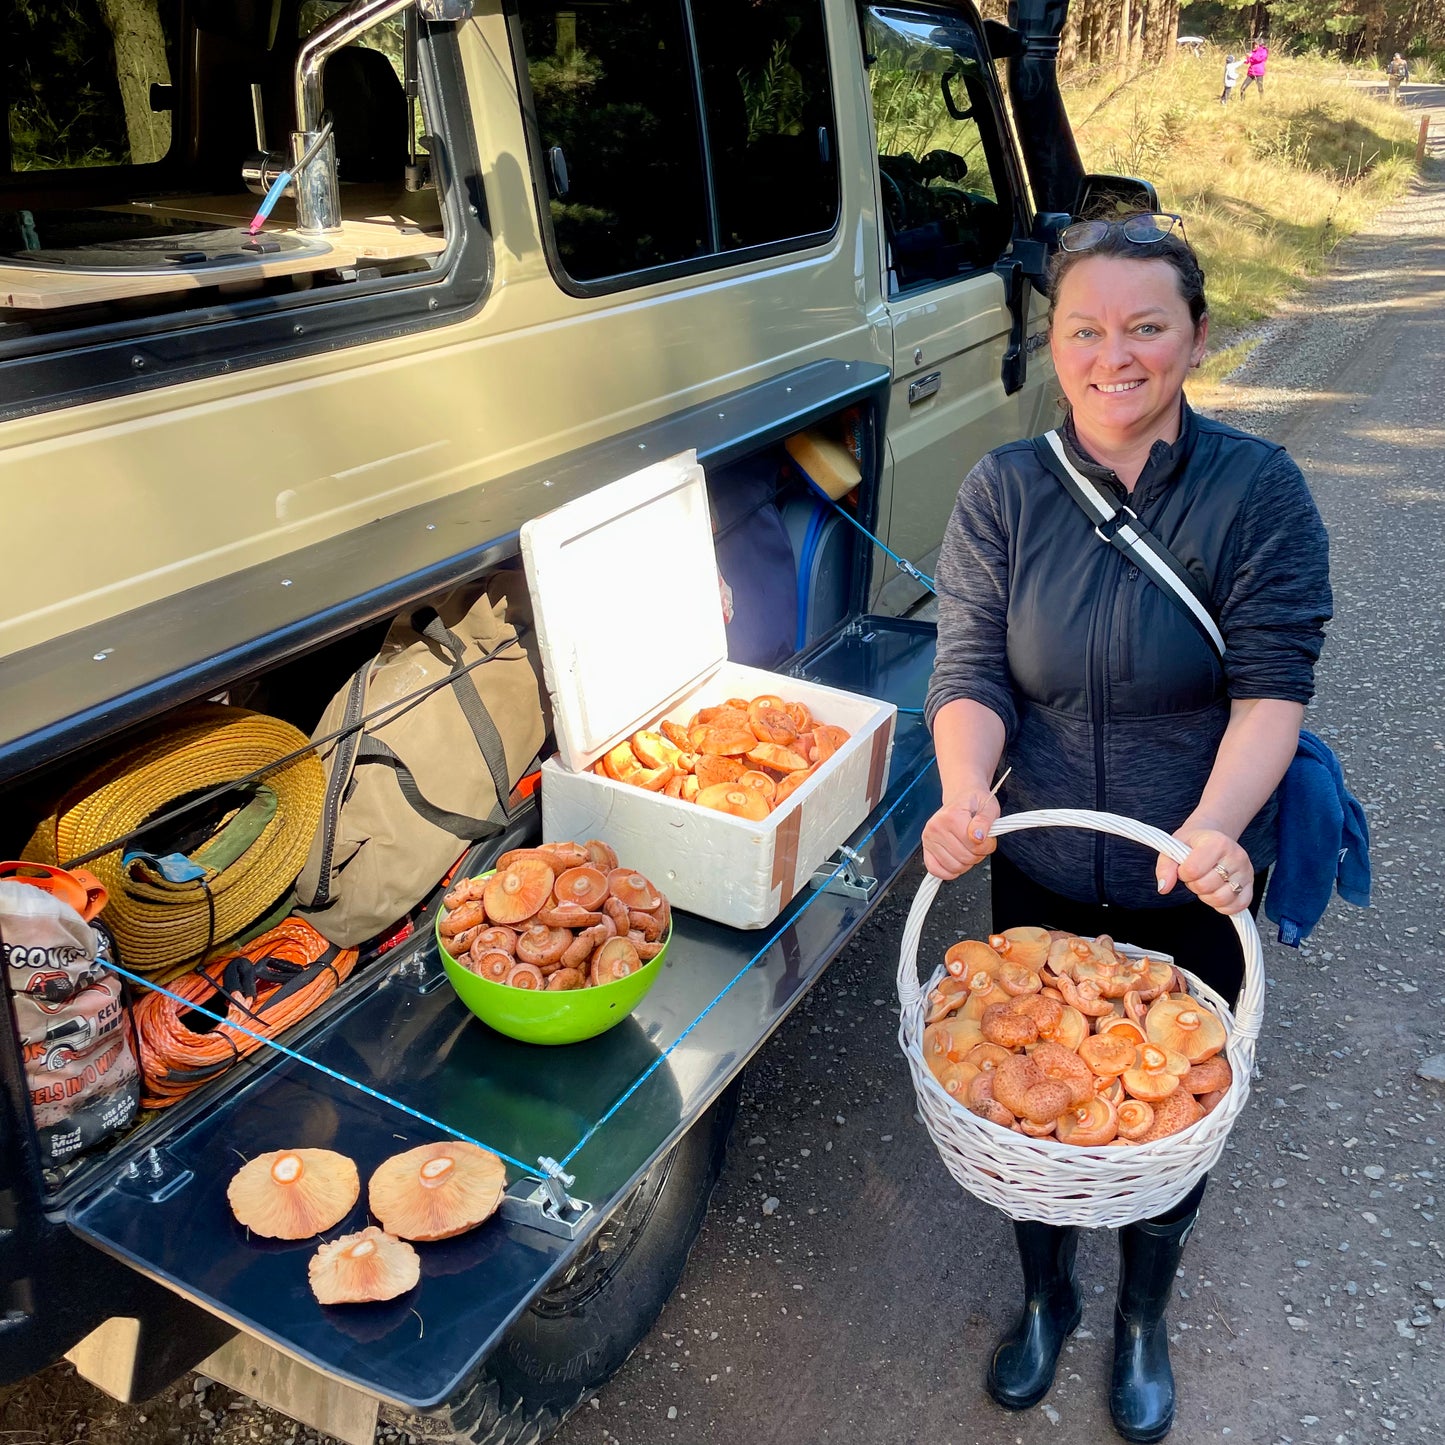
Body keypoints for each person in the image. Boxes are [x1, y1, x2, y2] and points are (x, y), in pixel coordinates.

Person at [921, 212, 1332, 1443]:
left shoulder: (1256, 491)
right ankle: (1047, 1296)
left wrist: (1211, 831)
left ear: (1194, 337)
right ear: (1054, 344)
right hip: (1038, 868)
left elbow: (1271, 686)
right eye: (1085, 328)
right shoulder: (1001, 491)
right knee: (1020, 1102)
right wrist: (963, 791)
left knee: (1176, 1106)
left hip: (1188, 878)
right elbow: (967, 672)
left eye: (1146, 327)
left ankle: (1143, 1311)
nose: (1116, 355)